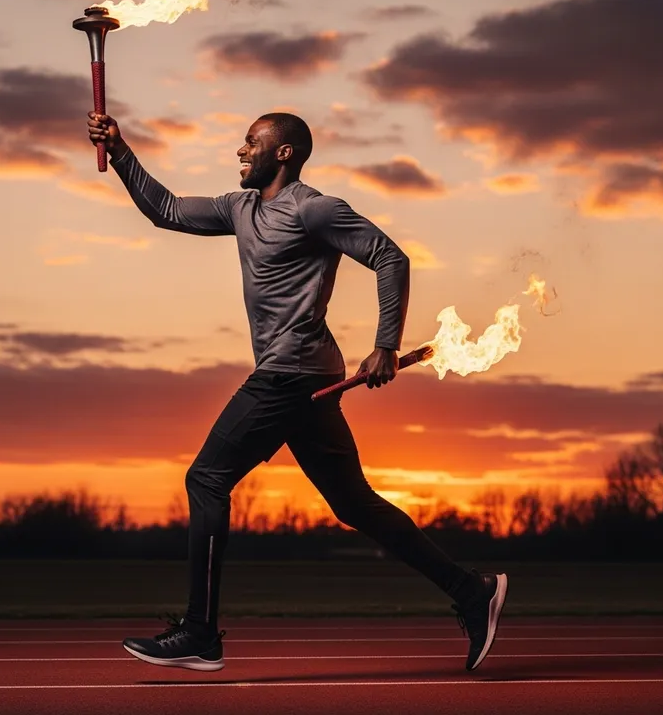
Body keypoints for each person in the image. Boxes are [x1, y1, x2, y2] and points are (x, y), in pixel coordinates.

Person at [86, 109, 507, 673]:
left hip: (291, 373)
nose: (240, 150)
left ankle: (200, 633)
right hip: (307, 378)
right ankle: (473, 591)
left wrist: (386, 344)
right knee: (353, 503)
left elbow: (390, 257)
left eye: (251, 142)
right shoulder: (239, 209)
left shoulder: (315, 209)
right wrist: (119, 151)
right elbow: (166, 210)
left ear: (283, 153)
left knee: (206, 478)